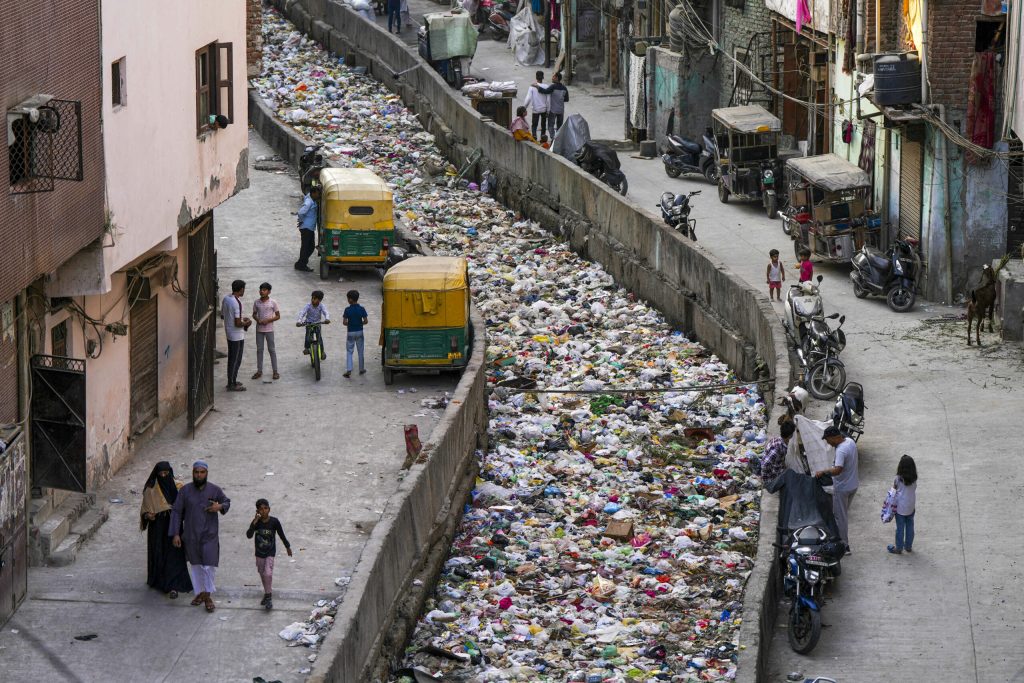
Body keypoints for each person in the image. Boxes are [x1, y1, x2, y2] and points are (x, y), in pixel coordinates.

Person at [170, 461, 231, 613]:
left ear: (206, 473)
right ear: (193, 473)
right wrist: (176, 533)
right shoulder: (185, 491)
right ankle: (200, 594)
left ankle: (208, 595)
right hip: (191, 535)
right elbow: (177, 511)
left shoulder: (214, 489)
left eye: (202, 472)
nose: (199, 475)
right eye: (196, 472)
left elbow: (226, 502)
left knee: (209, 565)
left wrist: (220, 507)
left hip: (209, 535)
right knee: (196, 566)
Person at [140, 462, 192, 599]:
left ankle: (173, 585)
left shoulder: (178, 486)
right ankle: (160, 581)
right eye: (161, 474)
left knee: (174, 553)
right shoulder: (151, 489)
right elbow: (144, 509)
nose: (163, 476)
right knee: (160, 551)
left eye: (166, 473)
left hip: (174, 525)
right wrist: (148, 515)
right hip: (157, 526)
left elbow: (186, 505)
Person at [815, 426, 859, 552]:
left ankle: (844, 546)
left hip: (843, 488)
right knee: (842, 514)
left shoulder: (841, 450)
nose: (828, 443)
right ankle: (841, 541)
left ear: (834, 438)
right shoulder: (850, 442)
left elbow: (837, 470)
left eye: (828, 440)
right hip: (853, 484)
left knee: (840, 517)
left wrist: (823, 472)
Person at [246, 498, 292, 610]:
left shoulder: (274, 522)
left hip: (270, 552)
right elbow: (249, 535)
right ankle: (267, 594)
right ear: (257, 511)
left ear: (269, 509)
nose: (263, 511)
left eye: (265, 508)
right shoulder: (256, 522)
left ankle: (269, 596)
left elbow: (281, 534)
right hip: (259, 553)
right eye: (260, 509)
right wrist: (254, 522)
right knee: (262, 574)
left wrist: (287, 546)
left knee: (268, 573)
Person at [221, 280, 251, 392]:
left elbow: (223, 316)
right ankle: (232, 383)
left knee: (232, 359)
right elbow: (237, 323)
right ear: (241, 289)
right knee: (236, 359)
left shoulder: (226, 299)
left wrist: (241, 320)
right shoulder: (237, 303)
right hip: (236, 335)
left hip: (229, 333)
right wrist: (247, 322)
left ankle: (232, 380)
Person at [888, 454, 917, 554]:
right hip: (911, 506)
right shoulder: (914, 478)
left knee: (900, 528)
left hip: (900, 508)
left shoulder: (898, 479)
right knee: (910, 526)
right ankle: (908, 546)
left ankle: (899, 548)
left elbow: (893, 491)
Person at [252, 282, 281, 381]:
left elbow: (278, 316)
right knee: (259, 350)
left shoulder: (273, 302)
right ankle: (259, 371)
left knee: (271, 350)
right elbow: (254, 314)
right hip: (259, 330)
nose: (261, 291)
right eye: (261, 289)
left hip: (269, 330)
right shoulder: (256, 302)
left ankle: (275, 371)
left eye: (264, 290)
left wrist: (268, 320)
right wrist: (258, 320)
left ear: (269, 292)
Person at [342, 289, 369, 378]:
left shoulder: (347, 310)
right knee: (360, 351)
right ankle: (361, 369)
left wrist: (350, 323)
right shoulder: (362, 309)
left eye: (348, 298)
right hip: (360, 332)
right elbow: (366, 321)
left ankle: (349, 370)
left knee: (349, 351)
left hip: (350, 333)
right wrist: (359, 323)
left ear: (350, 299)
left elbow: (344, 322)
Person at [759, 420, 795, 485]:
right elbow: (765, 464)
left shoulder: (776, 440)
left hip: (774, 470)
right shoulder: (778, 448)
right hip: (769, 479)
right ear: (790, 435)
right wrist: (775, 474)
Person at [296, 289, 330, 357]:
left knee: (319, 337)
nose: (312, 300)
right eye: (312, 298)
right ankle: (306, 348)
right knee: (308, 336)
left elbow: (326, 312)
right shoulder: (308, 305)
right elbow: (302, 313)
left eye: (315, 299)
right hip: (309, 323)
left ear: (320, 300)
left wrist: (327, 319)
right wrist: (299, 321)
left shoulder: (321, 306)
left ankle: (322, 352)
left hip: (317, 323)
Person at [535, 72, 568, 137]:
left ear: (557, 78)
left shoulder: (553, 86)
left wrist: (537, 86)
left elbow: (545, 91)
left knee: (550, 125)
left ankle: (553, 137)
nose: (552, 78)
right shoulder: (564, 88)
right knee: (559, 126)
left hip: (553, 110)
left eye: (553, 77)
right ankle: (558, 138)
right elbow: (566, 99)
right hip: (561, 110)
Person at [295, 187, 320, 272]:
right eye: (317, 193)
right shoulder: (309, 202)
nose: (318, 195)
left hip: (309, 227)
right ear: (313, 193)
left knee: (309, 247)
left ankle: (300, 263)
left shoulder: (311, 198)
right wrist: (301, 221)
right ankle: (302, 265)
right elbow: (301, 212)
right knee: (306, 247)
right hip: (306, 228)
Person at [522, 71, 550, 140]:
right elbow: (548, 100)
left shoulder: (532, 87)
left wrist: (524, 108)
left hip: (536, 109)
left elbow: (528, 99)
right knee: (543, 125)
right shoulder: (546, 87)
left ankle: (534, 136)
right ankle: (543, 138)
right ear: (543, 77)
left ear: (536, 77)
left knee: (534, 125)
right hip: (544, 109)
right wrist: (548, 110)